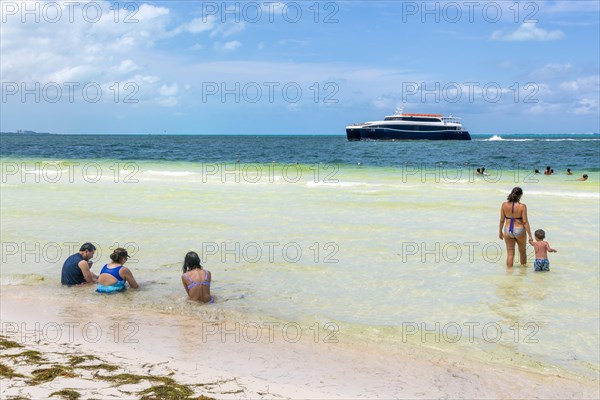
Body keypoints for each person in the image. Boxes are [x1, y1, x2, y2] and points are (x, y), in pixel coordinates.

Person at [499, 187, 533, 268]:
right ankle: (523, 272)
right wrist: (530, 235)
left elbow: (501, 220)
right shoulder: (522, 206)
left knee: (510, 253)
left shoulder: (504, 205)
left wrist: (500, 232)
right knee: (522, 252)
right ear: (520, 195)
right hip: (520, 230)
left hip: (508, 230)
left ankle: (509, 274)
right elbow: (525, 222)